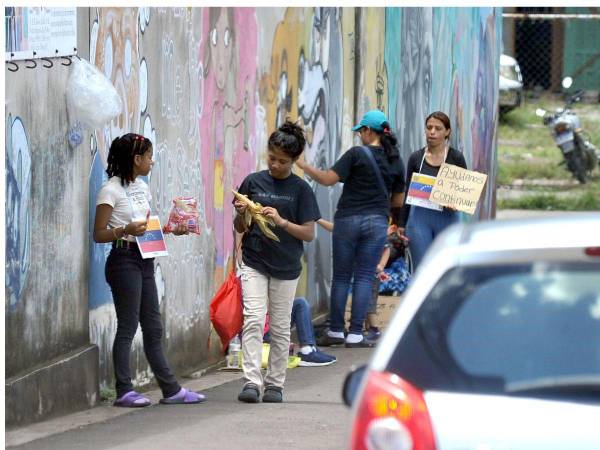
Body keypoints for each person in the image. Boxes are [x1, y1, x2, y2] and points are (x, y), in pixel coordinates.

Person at [93, 133, 205, 407]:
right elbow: (98, 233)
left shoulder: (142, 187)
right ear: (136, 159)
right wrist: (125, 230)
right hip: (123, 260)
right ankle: (124, 391)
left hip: (144, 260)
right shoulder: (110, 190)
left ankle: (171, 390)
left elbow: (145, 227)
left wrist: (171, 228)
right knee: (129, 326)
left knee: (153, 328)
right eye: (149, 157)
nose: (152, 162)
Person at [296, 110, 406, 348]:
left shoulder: (356, 154)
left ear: (367, 131)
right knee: (365, 276)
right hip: (377, 221)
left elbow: (327, 179)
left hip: (347, 220)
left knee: (342, 276)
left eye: (361, 132)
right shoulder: (396, 160)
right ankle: (356, 334)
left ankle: (336, 331)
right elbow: (398, 201)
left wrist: (303, 164)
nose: (360, 136)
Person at [234, 120, 321, 403]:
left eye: (282, 162)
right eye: (272, 158)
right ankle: (251, 381)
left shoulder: (301, 190)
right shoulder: (253, 181)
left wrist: (281, 221)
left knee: (281, 326)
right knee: (254, 320)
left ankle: (275, 383)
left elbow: (309, 233)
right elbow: (239, 227)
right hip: (254, 260)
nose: (275, 165)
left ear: (294, 161)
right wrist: (242, 212)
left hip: (286, 266)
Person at [397, 111, 467, 269]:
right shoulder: (416, 158)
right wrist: (402, 223)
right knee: (422, 268)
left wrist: (455, 202)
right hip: (420, 220)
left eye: (438, 128)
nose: (432, 132)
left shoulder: (456, 158)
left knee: (448, 267)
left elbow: (464, 193)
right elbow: (408, 191)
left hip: (448, 218)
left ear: (447, 132)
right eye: (429, 127)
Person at [264, 297, 337, 367]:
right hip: (262, 336)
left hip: (269, 324)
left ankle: (310, 348)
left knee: (300, 303)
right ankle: (307, 352)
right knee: (299, 303)